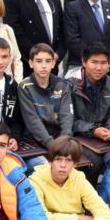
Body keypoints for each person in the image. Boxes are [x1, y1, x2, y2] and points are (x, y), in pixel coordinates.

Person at [68, 42, 110, 186]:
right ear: (84, 62)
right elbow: (69, 120)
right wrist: (93, 130)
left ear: (109, 64)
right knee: (94, 161)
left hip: (103, 136)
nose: (99, 68)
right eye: (94, 62)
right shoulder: (69, 84)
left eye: (103, 63)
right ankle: (88, 197)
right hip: (76, 136)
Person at [3, 0, 66, 77]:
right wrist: (37, 57)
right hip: (26, 67)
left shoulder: (54, 0)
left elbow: (62, 31)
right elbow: (15, 31)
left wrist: (57, 55)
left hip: (52, 67)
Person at [17, 43, 74, 174]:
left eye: (48, 61)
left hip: (60, 141)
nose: (44, 66)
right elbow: (32, 121)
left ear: (53, 63)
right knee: (45, 168)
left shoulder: (62, 84)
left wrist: (64, 141)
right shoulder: (24, 86)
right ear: (31, 63)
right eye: (39, 61)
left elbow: (67, 115)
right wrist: (53, 145)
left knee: (77, 166)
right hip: (33, 143)